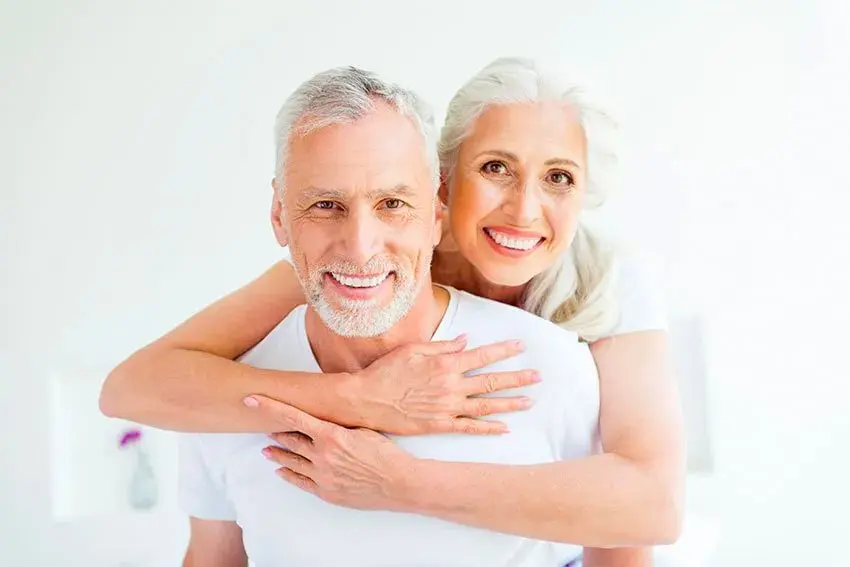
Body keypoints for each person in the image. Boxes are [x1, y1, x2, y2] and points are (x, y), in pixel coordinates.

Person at [102, 58, 684, 564]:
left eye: (559, 177)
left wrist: (398, 482)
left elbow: (645, 513)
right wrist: (360, 399)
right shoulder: (344, 268)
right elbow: (134, 388)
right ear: (446, 187)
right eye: (496, 168)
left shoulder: (596, 306)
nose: (523, 210)